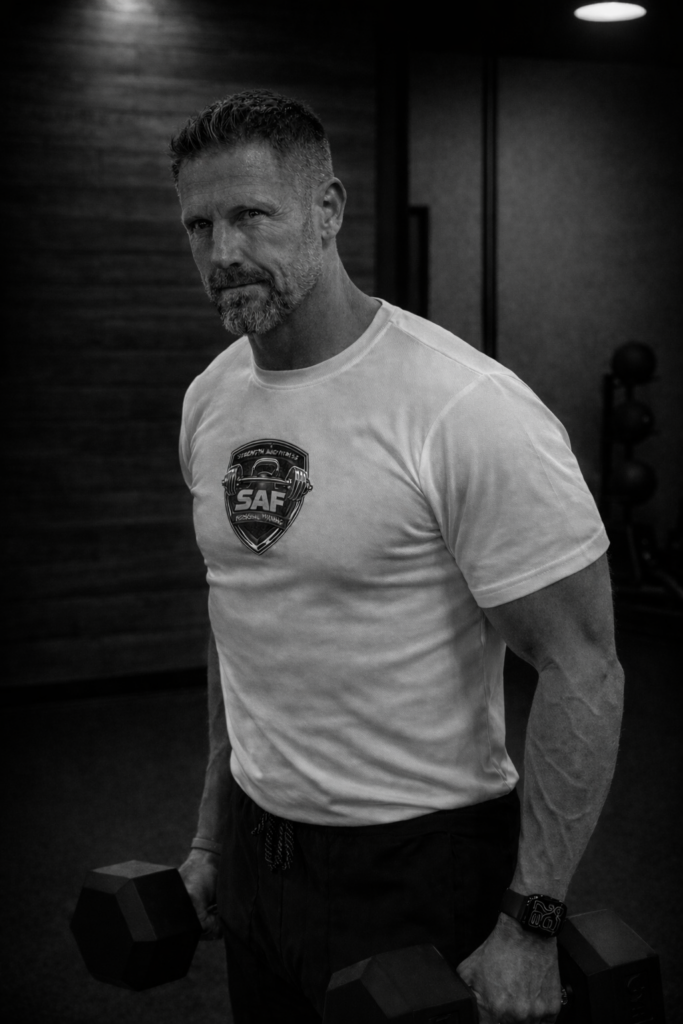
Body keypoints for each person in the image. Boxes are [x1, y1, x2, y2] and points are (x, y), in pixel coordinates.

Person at [169, 90, 624, 1023]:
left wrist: (531, 919)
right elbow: (236, 620)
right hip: (259, 851)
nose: (222, 253)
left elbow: (582, 666)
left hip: (417, 865)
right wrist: (213, 837)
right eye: (199, 225)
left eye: (251, 215)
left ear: (327, 211)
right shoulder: (211, 398)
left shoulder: (462, 406)